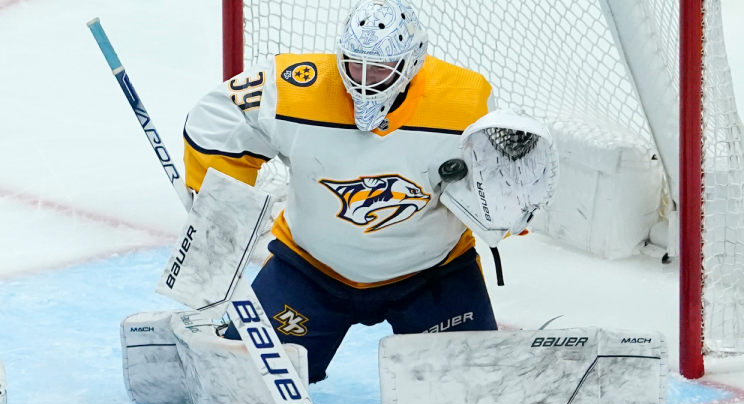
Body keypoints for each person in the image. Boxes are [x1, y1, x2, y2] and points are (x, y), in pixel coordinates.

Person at [182, 0, 545, 384]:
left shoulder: (465, 99)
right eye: (357, 64)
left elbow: (496, 180)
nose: (366, 79)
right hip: (309, 269)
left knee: (471, 387)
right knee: (241, 383)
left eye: (382, 67)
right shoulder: (294, 86)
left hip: (433, 274)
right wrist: (220, 204)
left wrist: (506, 210)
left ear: (414, 61)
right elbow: (222, 114)